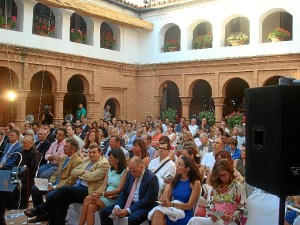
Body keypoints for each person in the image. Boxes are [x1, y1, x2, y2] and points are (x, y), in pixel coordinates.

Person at [46, 144, 110, 225]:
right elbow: (73, 172)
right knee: (61, 201)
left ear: (100, 153)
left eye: (94, 152)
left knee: (64, 189)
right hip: (77, 187)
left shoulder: (104, 163)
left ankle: (42, 208)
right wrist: (83, 172)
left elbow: (91, 177)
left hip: (88, 190)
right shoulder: (86, 159)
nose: (91, 154)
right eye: (90, 152)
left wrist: (79, 174)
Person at [25, 138, 82, 223]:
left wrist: (54, 186)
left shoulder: (77, 161)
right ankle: (41, 215)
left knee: (50, 195)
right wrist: (51, 183)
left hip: (62, 186)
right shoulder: (64, 157)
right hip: (54, 183)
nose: (63, 148)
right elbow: (56, 173)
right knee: (35, 188)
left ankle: (41, 212)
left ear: (73, 149)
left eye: (66, 147)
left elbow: (70, 180)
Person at [99, 157, 159, 225]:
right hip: (130, 202)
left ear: (142, 167)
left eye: (134, 171)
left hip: (144, 206)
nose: (132, 173)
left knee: (133, 218)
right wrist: (117, 206)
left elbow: (147, 200)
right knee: (104, 212)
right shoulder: (130, 174)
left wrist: (128, 210)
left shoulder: (151, 178)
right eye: (130, 171)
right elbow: (124, 192)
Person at [188, 160, 247, 225]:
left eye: (225, 175)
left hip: (231, 221)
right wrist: (212, 214)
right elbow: (210, 204)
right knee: (194, 220)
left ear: (230, 172)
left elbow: (243, 206)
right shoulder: (216, 186)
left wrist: (231, 218)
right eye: (220, 175)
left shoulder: (237, 186)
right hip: (216, 220)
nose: (223, 177)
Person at [78, 149, 128, 225]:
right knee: (91, 207)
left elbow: (119, 190)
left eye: (111, 158)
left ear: (117, 159)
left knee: (88, 199)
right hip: (104, 195)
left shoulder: (125, 171)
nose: (108, 159)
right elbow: (104, 185)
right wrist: (96, 192)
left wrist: (101, 194)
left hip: (114, 198)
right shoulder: (109, 169)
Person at [150, 156, 201, 225]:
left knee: (158, 216)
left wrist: (171, 204)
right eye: (177, 163)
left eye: (180, 165)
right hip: (172, 209)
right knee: (157, 213)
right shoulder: (175, 179)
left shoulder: (195, 183)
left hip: (185, 213)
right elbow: (168, 199)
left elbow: (189, 206)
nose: (176, 166)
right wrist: (164, 201)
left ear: (187, 169)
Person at [19, 135, 41, 209]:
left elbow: (32, 169)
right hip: (18, 173)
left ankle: (22, 208)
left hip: (28, 177)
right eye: (23, 142)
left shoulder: (35, 153)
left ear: (31, 143)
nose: (23, 144)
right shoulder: (22, 152)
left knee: (24, 189)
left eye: (25, 143)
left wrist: (22, 178)